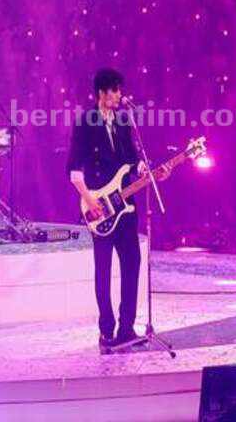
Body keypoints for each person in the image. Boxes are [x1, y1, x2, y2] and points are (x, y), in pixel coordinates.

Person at [66, 68, 165, 353]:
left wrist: (145, 169)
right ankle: (106, 331)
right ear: (102, 92)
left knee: (132, 262)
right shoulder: (86, 121)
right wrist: (90, 200)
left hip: (126, 208)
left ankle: (126, 328)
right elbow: (74, 170)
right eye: (115, 90)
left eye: (120, 89)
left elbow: (132, 160)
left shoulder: (123, 121)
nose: (120, 95)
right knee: (104, 268)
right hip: (98, 205)